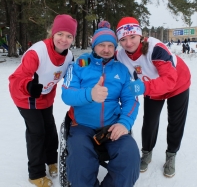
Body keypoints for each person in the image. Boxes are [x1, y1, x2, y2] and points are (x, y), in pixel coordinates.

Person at [61, 27, 141, 187]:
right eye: (101, 45)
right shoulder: (80, 64)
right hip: (82, 126)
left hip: (112, 126)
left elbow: (131, 99)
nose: (106, 49)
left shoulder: (122, 69)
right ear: (94, 46)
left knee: (130, 156)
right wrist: (90, 94)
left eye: (110, 45)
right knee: (80, 163)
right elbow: (67, 95)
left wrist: (124, 122)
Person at [115, 17, 191, 178]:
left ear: (140, 36)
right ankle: (147, 153)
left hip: (178, 83)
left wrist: (143, 87)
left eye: (132, 37)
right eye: (123, 39)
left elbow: (169, 81)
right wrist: (86, 60)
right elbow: (103, 57)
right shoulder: (120, 55)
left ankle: (171, 155)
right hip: (151, 85)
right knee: (150, 121)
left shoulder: (155, 48)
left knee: (175, 121)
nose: (128, 43)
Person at [8, 14, 77, 187]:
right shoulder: (37, 52)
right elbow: (16, 79)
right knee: (37, 132)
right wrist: (29, 86)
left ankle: (51, 160)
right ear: (52, 33)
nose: (64, 39)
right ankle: (35, 173)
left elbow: (75, 75)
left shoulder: (69, 57)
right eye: (60, 34)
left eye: (69, 36)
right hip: (26, 96)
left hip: (46, 96)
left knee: (50, 129)